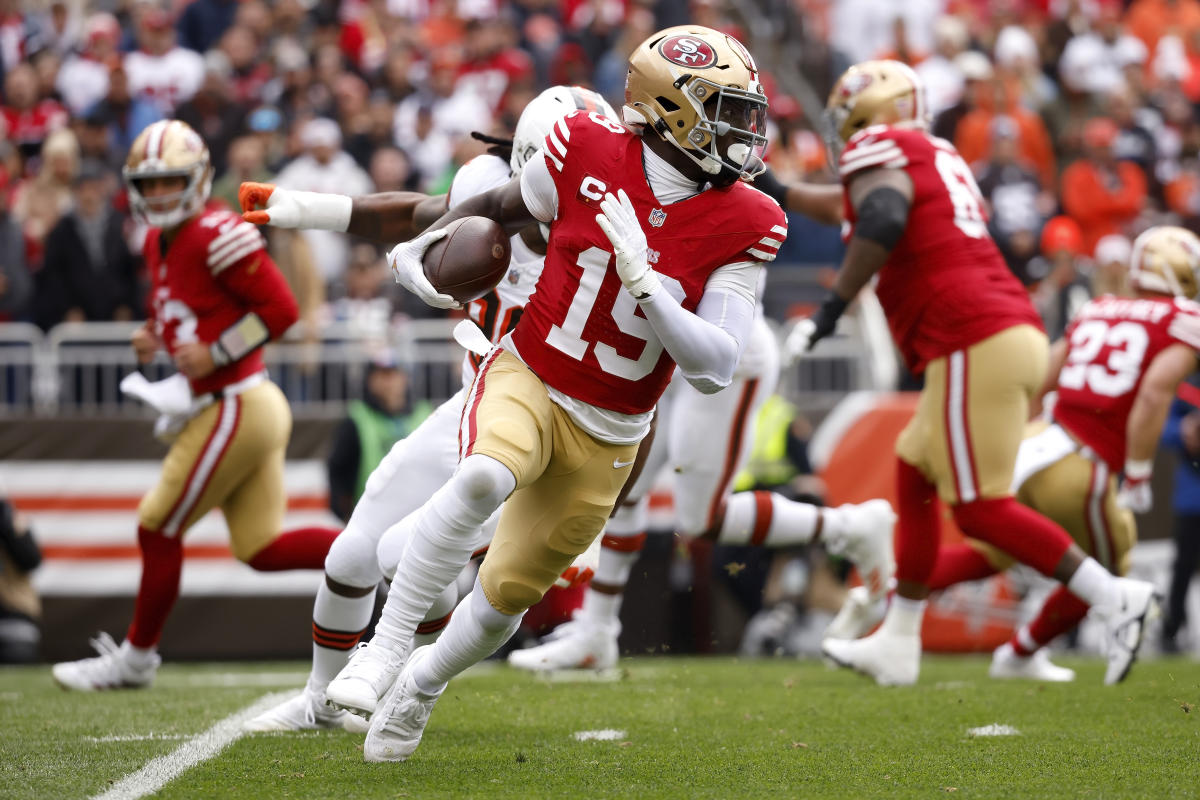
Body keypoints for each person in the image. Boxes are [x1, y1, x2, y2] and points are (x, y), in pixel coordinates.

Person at [315, 26, 787, 762]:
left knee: (505, 596)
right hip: (531, 372)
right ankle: (384, 650)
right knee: (479, 476)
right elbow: (506, 204)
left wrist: (651, 292)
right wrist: (425, 241)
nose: (741, 130)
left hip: (612, 426)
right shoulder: (585, 151)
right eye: (723, 110)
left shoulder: (749, 219)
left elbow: (715, 363)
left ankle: (421, 687)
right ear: (670, 109)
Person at [239, 85, 615, 733]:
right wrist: (302, 207)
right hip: (473, 407)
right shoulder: (491, 204)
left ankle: (398, 682)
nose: (589, 182)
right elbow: (410, 214)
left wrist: (601, 518)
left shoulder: (616, 239)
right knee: (352, 555)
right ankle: (320, 704)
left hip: (544, 436)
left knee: (398, 554)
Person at [787, 60, 1158, 687]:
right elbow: (857, 206)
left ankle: (1114, 595)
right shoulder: (932, 154)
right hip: (996, 331)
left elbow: (878, 220)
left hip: (971, 335)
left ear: (869, 116)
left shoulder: (888, 149)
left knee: (982, 509)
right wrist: (779, 190)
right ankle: (900, 640)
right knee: (913, 469)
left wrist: (829, 310)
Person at [832, 227, 1200, 682]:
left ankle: (880, 601)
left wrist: (1022, 426)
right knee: (1109, 570)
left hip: (1037, 440)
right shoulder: (1182, 318)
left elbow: (1046, 370)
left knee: (990, 552)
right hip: (1081, 464)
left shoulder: (1100, 308)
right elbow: (1154, 394)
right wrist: (1140, 473)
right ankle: (1020, 654)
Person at [51, 120, 340, 692]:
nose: (159, 195)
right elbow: (193, 307)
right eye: (149, 184)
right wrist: (156, 335)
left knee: (157, 523)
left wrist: (216, 352)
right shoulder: (159, 240)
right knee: (258, 547)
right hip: (234, 404)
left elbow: (281, 310)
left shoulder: (215, 231)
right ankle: (390, 552)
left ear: (199, 177)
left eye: (171, 182)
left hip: (236, 401)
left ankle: (136, 659)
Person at [326, 356, 432, 522]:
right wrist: (341, 510)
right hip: (371, 517)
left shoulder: (425, 414)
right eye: (382, 375)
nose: (388, 382)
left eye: (393, 375)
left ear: (405, 379)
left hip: (419, 515)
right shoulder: (357, 418)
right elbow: (338, 467)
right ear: (370, 381)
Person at [1161, 373, 1200, 652]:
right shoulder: (1187, 385)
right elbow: (1162, 428)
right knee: (1183, 568)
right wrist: (1184, 430)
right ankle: (1172, 631)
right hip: (1192, 496)